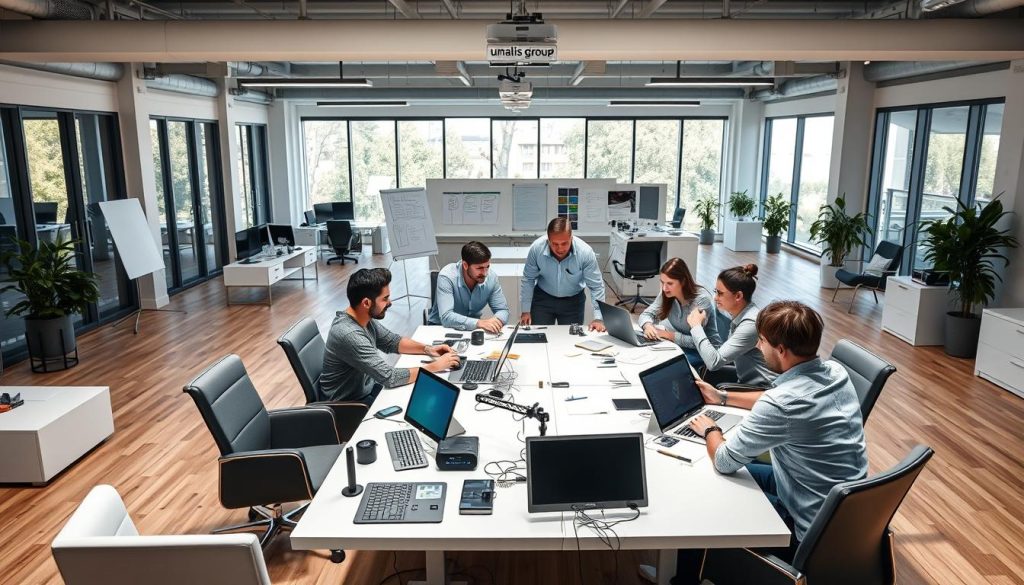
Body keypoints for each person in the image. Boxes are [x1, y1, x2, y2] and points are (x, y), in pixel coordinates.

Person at [320, 268, 461, 405]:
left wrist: (428, 349)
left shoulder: (363, 318)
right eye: (385, 298)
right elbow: (390, 377)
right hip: (349, 406)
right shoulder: (349, 334)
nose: (390, 302)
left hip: (367, 390)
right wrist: (435, 367)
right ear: (366, 303)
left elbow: (391, 342)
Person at [686, 264, 777, 387]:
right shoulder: (740, 314)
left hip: (762, 389)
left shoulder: (750, 324)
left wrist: (696, 327)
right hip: (746, 379)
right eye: (715, 292)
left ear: (738, 296)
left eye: (720, 293)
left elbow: (714, 362)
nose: (715, 297)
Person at [520, 217, 606, 331]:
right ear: (548, 240)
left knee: (571, 340)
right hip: (543, 299)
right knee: (539, 336)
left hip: (573, 302)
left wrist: (599, 318)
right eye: (554, 244)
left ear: (571, 238)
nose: (560, 248)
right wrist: (526, 310)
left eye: (564, 243)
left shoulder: (585, 253)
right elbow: (528, 279)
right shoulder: (536, 249)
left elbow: (596, 287)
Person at [637, 258, 720, 367]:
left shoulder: (701, 300)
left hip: (705, 353)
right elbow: (646, 314)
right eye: (662, 282)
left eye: (670, 283)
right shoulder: (667, 294)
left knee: (661, 366)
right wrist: (647, 326)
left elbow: (697, 341)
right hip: (680, 346)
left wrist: (669, 335)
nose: (664, 288)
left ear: (683, 281)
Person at [428, 241, 509, 333]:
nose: (485, 273)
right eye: (479, 268)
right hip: (440, 328)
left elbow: (502, 310)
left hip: (472, 330)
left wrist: (496, 321)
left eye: (487, 267)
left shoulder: (491, 278)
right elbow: (446, 317)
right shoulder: (447, 276)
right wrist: (479, 323)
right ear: (465, 265)